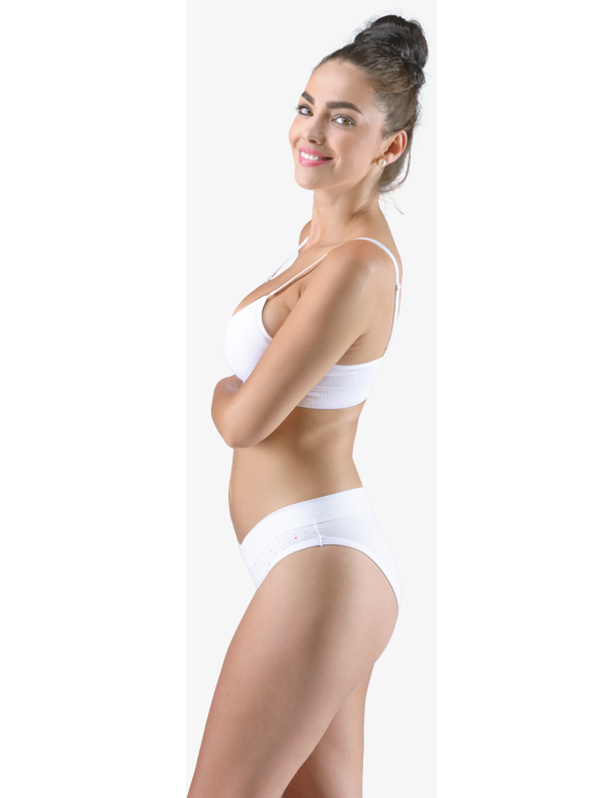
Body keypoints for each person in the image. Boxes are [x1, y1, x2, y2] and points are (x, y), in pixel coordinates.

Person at [188, 14, 428, 798]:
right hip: (310, 563)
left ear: (390, 146)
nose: (312, 131)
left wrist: (221, 390)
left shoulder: (357, 265)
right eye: (306, 107)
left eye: (344, 118)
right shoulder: (314, 241)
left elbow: (245, 422)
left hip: (320, 565)